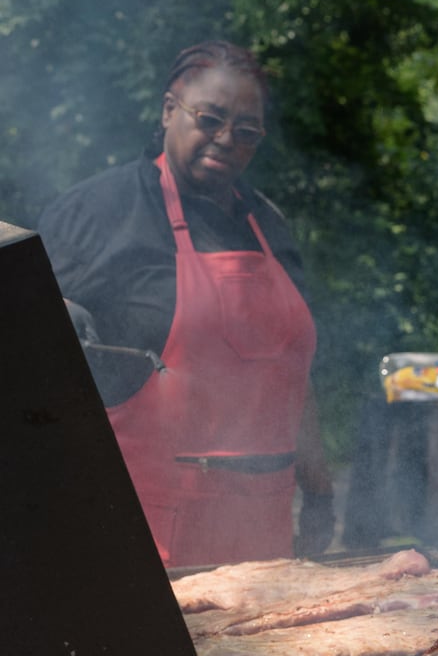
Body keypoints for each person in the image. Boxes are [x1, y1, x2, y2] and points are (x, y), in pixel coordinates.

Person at [39, 40, 335, 567]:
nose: (226, 139)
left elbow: (294, 374)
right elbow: (24, 343)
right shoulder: (102, 211)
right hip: (140, 541)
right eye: (210, 118)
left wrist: (319, 490)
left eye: (246, 131)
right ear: (168, 109)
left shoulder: (268, 224)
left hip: (263, 545)